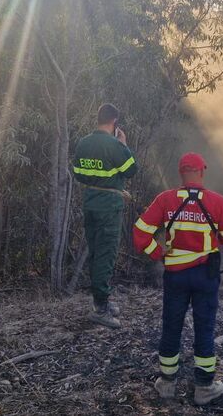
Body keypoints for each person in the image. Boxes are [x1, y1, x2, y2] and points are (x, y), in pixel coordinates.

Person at [132, 152, 223, 405]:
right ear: (202, 171)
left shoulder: (166, 200)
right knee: (204, 328)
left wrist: (158, 253)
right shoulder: (217, 201)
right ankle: (204, 387)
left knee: (171, 326)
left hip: (176, 276)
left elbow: (139, 234)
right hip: (206, 276)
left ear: (181, 173)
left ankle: (167, 384)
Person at [72, 103, 139, 328]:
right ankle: (100, 309)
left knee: (95, 253)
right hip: (109, 207)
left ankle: (101, 301)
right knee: (106, 255)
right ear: (114, 122)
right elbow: (131, 169)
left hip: (90, 203)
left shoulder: (83, 143)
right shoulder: (114, 144)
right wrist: (123, 145)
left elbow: (79, 173)